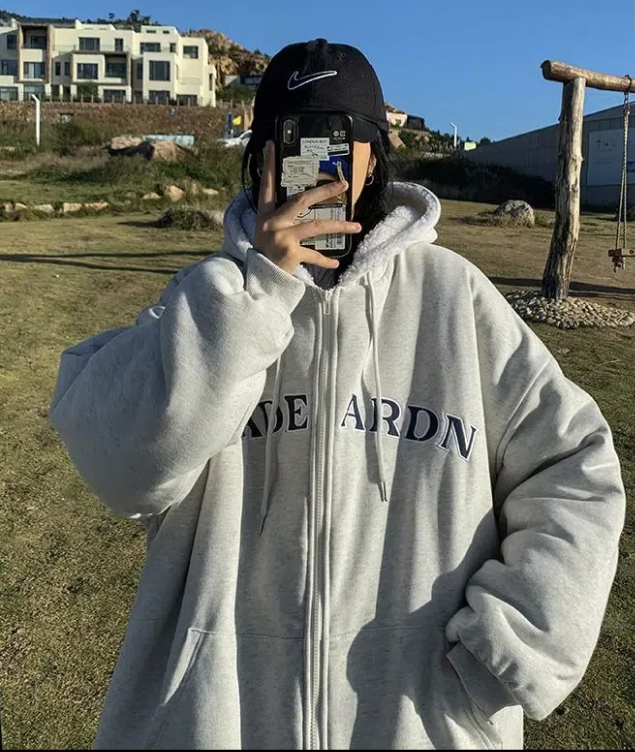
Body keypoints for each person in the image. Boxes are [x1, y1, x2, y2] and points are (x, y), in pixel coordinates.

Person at [50, 39, 625, 751]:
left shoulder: (453, 298)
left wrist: (515, 645)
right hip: (222, 716)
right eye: (291, 136)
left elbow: (574, 462)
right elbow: (121, 469)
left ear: (373, 157)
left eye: (337, 136)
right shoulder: (206, 303)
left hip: (415, 717)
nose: (314, 160)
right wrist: (255, 293)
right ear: (261, 155)